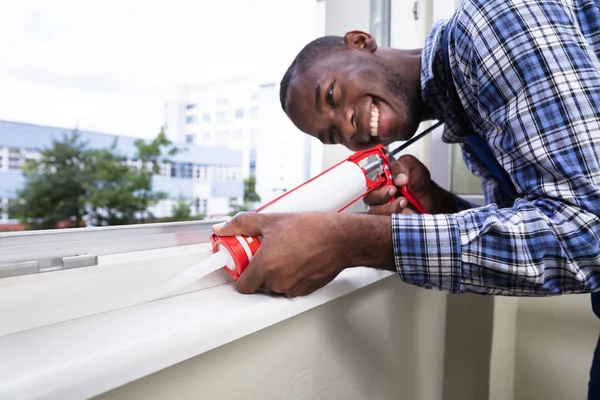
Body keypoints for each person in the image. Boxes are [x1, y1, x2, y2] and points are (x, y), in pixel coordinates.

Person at [212, 0, 600, 396]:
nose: (347, 129)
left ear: (361, 42)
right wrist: (435, 204)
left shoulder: (494, 21)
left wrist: (352, 241)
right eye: (332, 136)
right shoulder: (470, 123)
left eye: (331, 95)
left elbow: (590, 233)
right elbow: (534, 228)